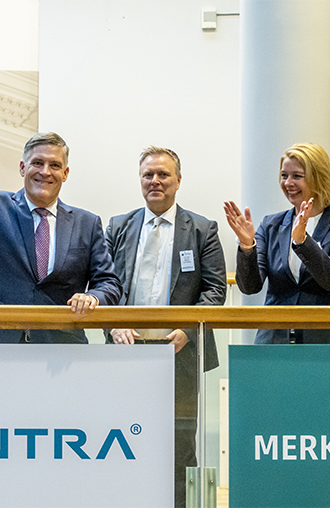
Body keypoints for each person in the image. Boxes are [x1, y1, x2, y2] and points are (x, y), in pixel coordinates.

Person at [0, 113, 121, 343]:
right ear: (22, 168)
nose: (45, 171)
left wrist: (93, 297)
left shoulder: (87, 224)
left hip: (59, 346)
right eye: (37, 163)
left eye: (55, 165)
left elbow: (109, 282)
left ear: (65, 173)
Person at [105, 146, 226, 507]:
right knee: (122, 441)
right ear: (140, 179)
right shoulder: (118, 226)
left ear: (178, 180)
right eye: (148, 175)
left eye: (163, 174)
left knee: (179, 446)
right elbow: (103, 283)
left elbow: (215, 290)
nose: (155, 181)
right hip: (125, 352)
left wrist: (188, 329)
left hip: (181, 353)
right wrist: (113, 326)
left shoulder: (202, 229)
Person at [224, 142, 330, 344]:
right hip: (275, 343)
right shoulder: (270, 225)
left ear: (319, 178)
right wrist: (247, 246)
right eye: (284, 175)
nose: (288, 183)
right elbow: (250, 287)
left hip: (328, 344)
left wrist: (302, 241)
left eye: (297, 176)